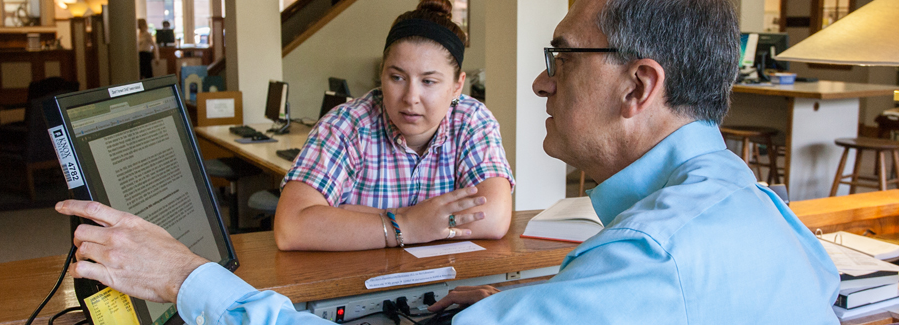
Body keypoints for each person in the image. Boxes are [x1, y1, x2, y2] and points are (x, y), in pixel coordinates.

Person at [55, 0, 840, 323]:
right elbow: (296, 224)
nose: (539, 78)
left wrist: (181, 276)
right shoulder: (761, 206)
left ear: (638, 86)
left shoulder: (646, 259)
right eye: (396, 77)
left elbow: (497, 214)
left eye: (560, 57)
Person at [274, 0, 514, 251]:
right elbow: (291, 227)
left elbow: (494, 218)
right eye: (397, 77)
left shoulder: (472, 120)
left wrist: (382, 217)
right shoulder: (344, 126)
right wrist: (408, 225)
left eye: (429, 81)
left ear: (457, 86)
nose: (411, 97)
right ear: (382, 74)